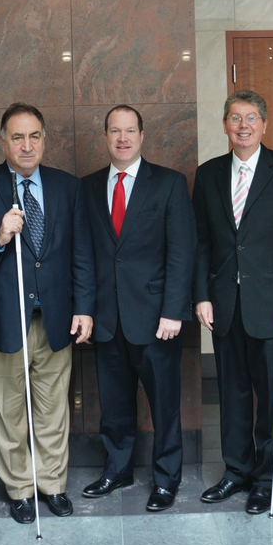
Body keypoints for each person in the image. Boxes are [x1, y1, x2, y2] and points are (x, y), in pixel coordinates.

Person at [0, 102, 95, 524]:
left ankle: (51, 484)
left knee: (53, 409)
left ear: (44, 139)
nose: (26, 145)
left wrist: (84, 308)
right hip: (3, 320)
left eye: (34, 136)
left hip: (55, 319)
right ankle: (19, 488)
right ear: (3, 141)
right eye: (17, 137)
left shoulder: (68, 187)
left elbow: (81, 253)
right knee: (9, 411)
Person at [193, 90, 273, 514]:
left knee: (272, 396)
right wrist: (202, 297)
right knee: (233, 394)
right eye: (234, 118)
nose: (242, 125)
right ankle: (236, 471)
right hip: (225, 304)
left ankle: (266, 478)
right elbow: (202, 243)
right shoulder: (207, 174)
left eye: (250, 118)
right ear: (224, 125)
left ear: (264, 124)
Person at [79, 105, 195, 512]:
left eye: (130, 131)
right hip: (108, 319)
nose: (123, 138)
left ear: (143, 136)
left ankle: (166, 480)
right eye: (115, 130)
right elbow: (86, 255)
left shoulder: (169, 183)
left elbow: (182, 253)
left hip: (156, 319)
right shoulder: (89, 187)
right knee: (113, 404)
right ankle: (118, 469)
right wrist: (86, 310)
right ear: (105, 136)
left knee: (164, 405)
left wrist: (173, 311)